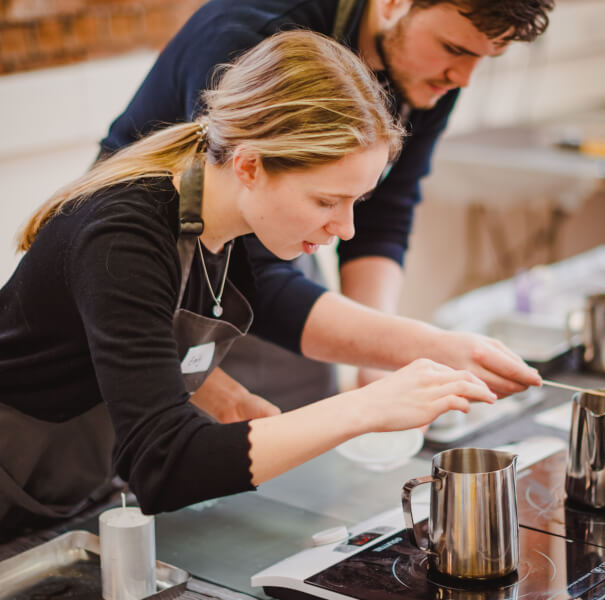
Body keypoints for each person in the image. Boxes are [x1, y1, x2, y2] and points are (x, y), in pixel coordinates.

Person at [0, 31, 537, 535]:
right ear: (251, 166)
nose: (344, 228)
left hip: (77, 489)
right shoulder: (123, 237)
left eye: (356, 202)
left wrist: (211, 391)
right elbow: (163, 464)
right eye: (326, 201)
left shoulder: (227, 222)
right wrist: (366, 408)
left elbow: (137, 343)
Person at [100, 0, 555, 409]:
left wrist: (375, 363)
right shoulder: (252, 35)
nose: (464, 78)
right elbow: (258, 276)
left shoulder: (430, 74)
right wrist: (421, 345)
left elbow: (386, 209)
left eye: (485, 58)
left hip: (267, 251)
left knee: (296, 418)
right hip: (155, 263)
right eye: (455, 49)